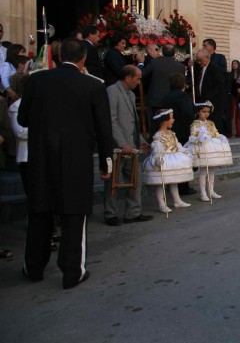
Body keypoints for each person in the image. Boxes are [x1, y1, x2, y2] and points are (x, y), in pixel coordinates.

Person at [18, 38, 114, 289]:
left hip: (40, 158)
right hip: (76, 160)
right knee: (74, 215)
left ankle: (33, 267)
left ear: (59, 56)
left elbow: (23, 118)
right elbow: (104, 130)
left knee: (39, 211)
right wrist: (107, 162)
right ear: (83, 59)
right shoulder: (93, 86)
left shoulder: (36, 81)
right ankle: (73, 271)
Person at [103, 65, 153, 226]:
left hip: (131, 145)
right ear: (128, 78)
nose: (139, 82)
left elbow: (132, 123)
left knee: (135, 179)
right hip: (117, 146)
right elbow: (111, 120)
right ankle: (110, 213)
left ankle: (133, 212)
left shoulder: (130, 95)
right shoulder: (112, 92)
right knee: (113, 181)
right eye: (137, 79)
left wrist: (142, 141)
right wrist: (122, 143)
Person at [142, 109, 194, 213]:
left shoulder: (171, 133)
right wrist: (157, 160)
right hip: (164, 159)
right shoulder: (158, 136)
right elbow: (156, 150)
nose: (173, 120)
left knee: (173, 180)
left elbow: (177, 145)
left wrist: (184, 150)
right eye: (171, 118)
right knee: (161, 183)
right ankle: (162, 204)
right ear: (165, 121)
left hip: (174, 157)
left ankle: (177, 200)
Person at [186, 101, 233, 201]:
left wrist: (221, 136)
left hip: (212, 149)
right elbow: (192, 137)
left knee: (211, 171)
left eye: (208, 112)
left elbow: (215, 133)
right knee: (203, 172)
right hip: (202, 149)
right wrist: (200, 137)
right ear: (198, 112)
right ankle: (203, 193)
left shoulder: (211, 123)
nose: (206, 114)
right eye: (203, 111)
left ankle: (211, 191)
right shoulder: (195, 124)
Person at [142, 43, 184, 120]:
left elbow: (143, 74)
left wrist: (140, 63)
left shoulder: (154, 62)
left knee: (154, 124)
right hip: (172, 100)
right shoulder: (180, 67)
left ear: (163, 52)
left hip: (155, 99)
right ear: (174, 53)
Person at [194, 48, 228, 131]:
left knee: (215, 123)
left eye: (200, 60)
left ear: (207, 58)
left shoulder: (215, 69)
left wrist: (208, 98)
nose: (199, 62)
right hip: (203, 101)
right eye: (197, 60)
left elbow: (219, 86)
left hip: (213, 101)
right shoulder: (200, 68)